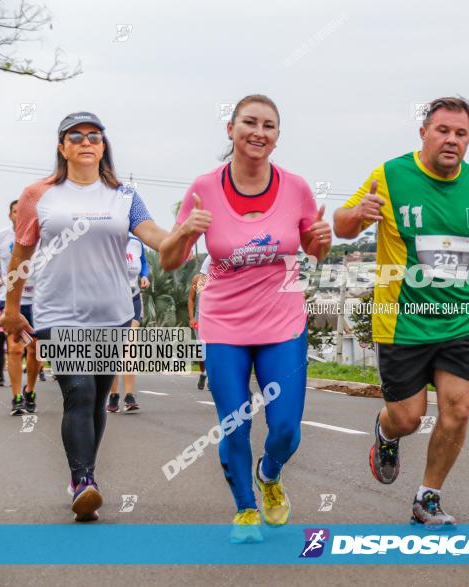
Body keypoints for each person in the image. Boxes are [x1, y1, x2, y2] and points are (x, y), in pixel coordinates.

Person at [333, 97, 469, 526]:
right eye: (443, 130)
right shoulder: (390, 174)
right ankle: (386, 432)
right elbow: (341, 224)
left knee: (458, 409)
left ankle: (428, 497)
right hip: (403, 318)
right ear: (423, 132)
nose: (451, 140)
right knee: (408, 418)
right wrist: (359, 214)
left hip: (461, 319)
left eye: (460, 134)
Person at [0, 111, 189, 522]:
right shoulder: (38, 194)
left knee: (99, 397)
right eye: (76, 136)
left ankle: (84, 475)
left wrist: (182, 234)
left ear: (103, 146)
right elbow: (21, 253)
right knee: (80, 391)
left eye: (95, 136)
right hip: (57, 312)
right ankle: (84, 480)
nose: (86, 142)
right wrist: (12, 309)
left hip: (112, 312)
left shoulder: (124, 195)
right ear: (62, 146)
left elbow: (154, 236)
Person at [168, 94, 332, 543]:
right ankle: (244, 508)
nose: (259, 132)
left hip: (283, 322)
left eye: (269, 126)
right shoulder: (204, 187)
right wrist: (184, 231)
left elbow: (316, 249)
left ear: (277, 137)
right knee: (235, 421)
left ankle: (270, 473)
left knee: (284, 428)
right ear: (231, 130)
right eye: (249, 122)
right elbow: (168, 260)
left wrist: (323, 239)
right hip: (224, 324)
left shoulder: (296, 187)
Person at [0, 200, 42, 414]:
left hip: (38, 302)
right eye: (16, 212)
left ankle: (31, 390)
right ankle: (17, 397)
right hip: (11, 301)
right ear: (10, 215)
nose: (20, 215)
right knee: (16, 348)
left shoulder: (43, 237)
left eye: (24, 211)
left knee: (35, 349)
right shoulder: (0, 236)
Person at [107, 234, 150, 413]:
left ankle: (129, 395)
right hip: (110, 301)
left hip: (133, 299)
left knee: (130, 346)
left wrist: (145, 276)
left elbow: (144, 264)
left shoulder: (136, 242)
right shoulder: (106, 239)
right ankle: (114, 394)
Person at [188, 255, 210, 390]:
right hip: (199, 318)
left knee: (214, 348)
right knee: (201, 349)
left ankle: (211, 378)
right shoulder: (199, 279)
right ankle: (203, 373)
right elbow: (191, 299)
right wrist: (192, 318)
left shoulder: (221, 279)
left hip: (215, 319)